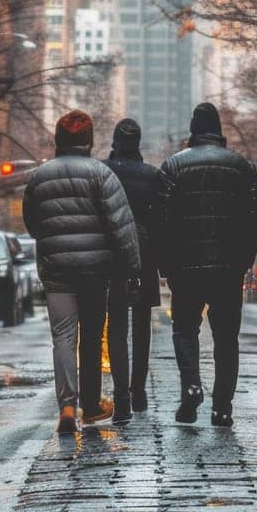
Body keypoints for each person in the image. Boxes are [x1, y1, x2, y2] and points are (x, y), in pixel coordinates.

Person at [23, 109, 140, 436]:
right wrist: (131, 266)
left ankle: (67, 405)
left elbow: (33, 224)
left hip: (56, 269)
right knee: (90, 336)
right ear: (88, 141)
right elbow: (121, 225)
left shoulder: (39, 177)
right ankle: (90, 405)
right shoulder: (101, 175)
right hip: (94, 271)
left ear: (58, 140)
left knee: (62, 335)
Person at [155, 101, 257, 427]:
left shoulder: (173, 167)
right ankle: (222, 407)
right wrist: (244, 260)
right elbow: (256, 219)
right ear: (219, 129)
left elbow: (159, 221)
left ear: (192, 129)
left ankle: (191, 386)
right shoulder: (242, 167)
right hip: (228, 269)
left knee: (184, 330)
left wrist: (166, 265)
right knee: (226, 339)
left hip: (185, 268)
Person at [104, 117, 161, 424]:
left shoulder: (103, 171)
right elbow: (161, 220)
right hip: (144, 259)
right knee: (142, 327)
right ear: (138, 143)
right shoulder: (152, 175)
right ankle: (139, 391)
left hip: (112, 259)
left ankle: (121, 396)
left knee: (116, 327)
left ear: (115, 142)